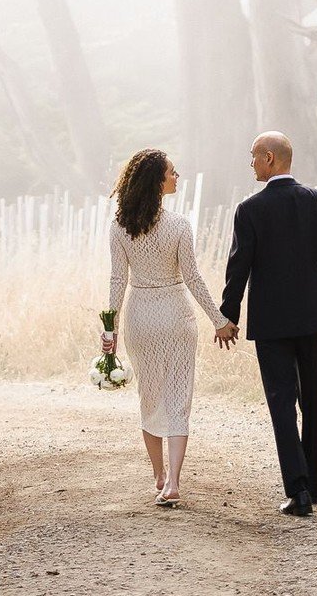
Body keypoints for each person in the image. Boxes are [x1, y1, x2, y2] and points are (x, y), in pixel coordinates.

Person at [218, 131, 317, 518]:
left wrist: (229, 314)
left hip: (271, 322)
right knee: (314, 401)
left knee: (281, 403)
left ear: (270, 158)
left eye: (254, 156)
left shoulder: (250, 209)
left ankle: (299, 490)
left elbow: (239, 266)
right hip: (312, 317)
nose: (251, 163)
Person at [101, 148, 236, 509]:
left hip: (141, 316)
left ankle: (158, 476)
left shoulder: (119, 227)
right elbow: (192, 277)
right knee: (178, 397)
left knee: (150, 395)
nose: (178, 177)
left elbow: (118, 279)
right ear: (158, 182)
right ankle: (174, 482)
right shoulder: (179, 225)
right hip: (176, 314)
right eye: (173, 173)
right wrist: (218, 319)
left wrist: (109, 330)